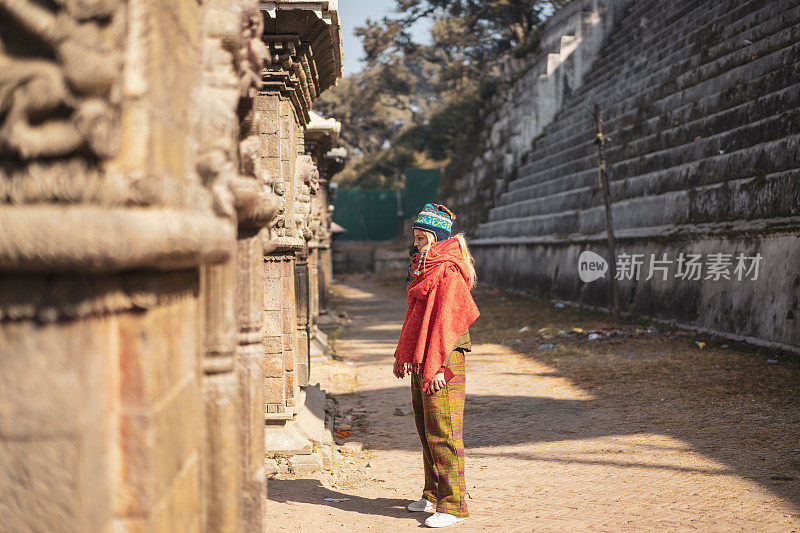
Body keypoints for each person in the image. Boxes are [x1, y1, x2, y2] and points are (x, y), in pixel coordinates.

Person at [393, 203, 480, 528]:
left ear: (434, 236)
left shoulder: (447, 269)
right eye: (415, 238)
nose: (415, 244)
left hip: (443, 361)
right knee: (425, 429)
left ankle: (454, 504)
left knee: (444, 433)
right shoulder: (425, 267)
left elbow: (450, 323)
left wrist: (440, 367)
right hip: (422, 356)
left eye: (419, 238)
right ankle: (432, 493)